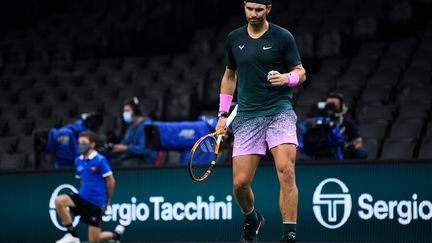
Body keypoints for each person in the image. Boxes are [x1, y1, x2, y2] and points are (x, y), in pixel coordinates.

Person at [215, 1, 306, 243]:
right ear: (244, 7)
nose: (253, 14)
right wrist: (223, 115)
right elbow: (229, 75)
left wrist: (286, 78)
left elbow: (300, 71)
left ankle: (289, 235)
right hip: (247, 116)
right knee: (240, 183)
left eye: (258, 10)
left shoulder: (282, 37)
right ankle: (253, 219)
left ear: (268, 9)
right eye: (249, 9)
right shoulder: (234, 38)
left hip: (279, 111)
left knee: (287, 171)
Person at [54, 131, 125, 243]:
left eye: (83, 142)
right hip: (82, 199)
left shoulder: (100, 160)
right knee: (59, 201)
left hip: (96, 204)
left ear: (92, 144)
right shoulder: (78, 161)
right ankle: (72, 234)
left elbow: (111, 181)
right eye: (79, 143)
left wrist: (107, 202)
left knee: (94, 240)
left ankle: (115, 235)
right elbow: (82, 180)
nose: (80, 145)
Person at [109, 97, 158, 166]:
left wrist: (126, 148)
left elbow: (144, 149)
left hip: (144, 161)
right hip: (130, 158)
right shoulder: (130, 128)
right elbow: (123, 145)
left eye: (127, 110)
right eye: (124, 111)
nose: (125, 113)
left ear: (136, 111)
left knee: (125, 164)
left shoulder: (147, 125)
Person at [325, 92, 368, 159]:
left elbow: (358, 143)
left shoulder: (348, 123)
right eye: (329, 105)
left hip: (343, 150)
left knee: (361, 152)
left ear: (341, 106)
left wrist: (351, 147)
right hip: (323, 150)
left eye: (334, 105)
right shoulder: (318, 121)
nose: (331, 108)